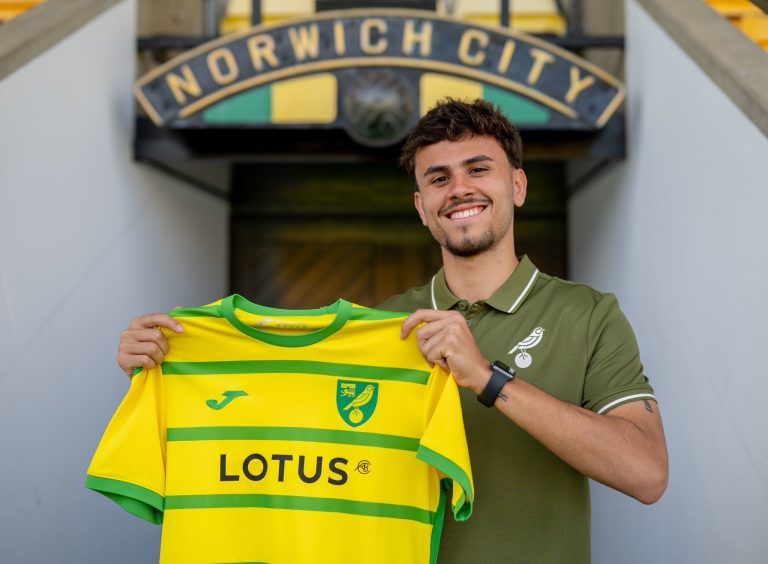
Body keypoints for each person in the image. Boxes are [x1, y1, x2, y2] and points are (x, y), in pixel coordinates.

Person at [116, 99, 668, 563]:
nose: (459, 189)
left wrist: (486, 379)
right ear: (421, 208)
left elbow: (646, 474)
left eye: (479, 169)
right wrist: (170, 369)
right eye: (439, 178)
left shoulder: (589, 314)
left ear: (518, 186)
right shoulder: (380, 330)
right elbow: (284, 442)